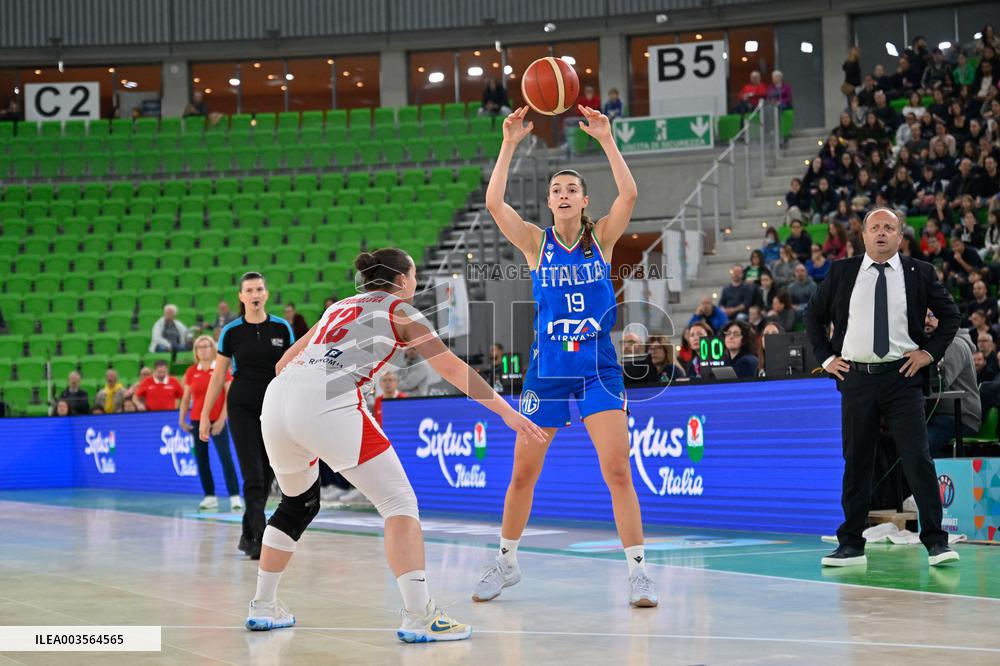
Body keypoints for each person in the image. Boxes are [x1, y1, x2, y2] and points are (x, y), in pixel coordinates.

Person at [246, 247, 547, 642]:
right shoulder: (400, 311)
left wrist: (307, 420)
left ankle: (264, 606)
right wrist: (507, 412)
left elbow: (284, 360)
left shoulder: (338, 307)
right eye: (415, 275)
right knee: (399, 504)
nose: (417, 282)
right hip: (327, 401)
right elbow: (451, 367)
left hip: (277, 400)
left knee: (295, 504)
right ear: (402, 280)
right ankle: (420, 616)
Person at [473, 104, 658, 608]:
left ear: (583, 200)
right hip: (548, 369)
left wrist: (607, 139)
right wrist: (509, 143)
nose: (562, 194)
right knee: (522, 473)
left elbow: (630, 194)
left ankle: (639, 572)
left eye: (571, 189)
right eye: (556, 189)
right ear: (550, 202)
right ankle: (506, 560)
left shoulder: (603, 238)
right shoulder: (536, 243)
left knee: (617, 470)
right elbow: (494, 204)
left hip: (597, 367)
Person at [804, 207, 961, 568]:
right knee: (857, 461)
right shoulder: (842, 272)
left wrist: (929, 354)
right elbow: (812, 315)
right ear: (862, 236)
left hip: (902, 377)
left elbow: (951, 315)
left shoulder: (920, 272)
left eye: (889, 228)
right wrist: (827, 359)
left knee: (917, 458)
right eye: (874, 227)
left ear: (900, 236)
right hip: (855, 377)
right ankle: (851, 544)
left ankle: (936, 541)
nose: (881, 233)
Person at [199, 272, 295, 560]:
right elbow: (217, 378)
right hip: (241, 406)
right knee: (252, 473)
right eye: (249, 290)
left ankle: (246, 533)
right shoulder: (231, 332)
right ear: (241, 296)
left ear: (266, 294)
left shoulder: (282, 328)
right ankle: (257, 539)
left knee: (266, 473)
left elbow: (291, 371)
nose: (255, 294)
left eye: (259, 289)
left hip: (274, 406)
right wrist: (206, 414)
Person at [181, 335, 241, 513]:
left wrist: (222, 419)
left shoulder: (221, 369)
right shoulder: (191, 371)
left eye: (206, 346)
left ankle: (235, 496)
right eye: (200, 347)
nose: (203, 349)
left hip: (217, 420)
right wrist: (182, 419)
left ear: (212, 348)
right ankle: (209, 496)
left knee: (225, 458)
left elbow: (229, 395)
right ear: (196, 351)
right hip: (197, 421)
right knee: (201, 460)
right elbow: (186, 398)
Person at [923, 309, 981, 457]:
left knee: (918, 448)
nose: (926, 321)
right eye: (923, 316)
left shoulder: (955, 344)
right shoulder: (934, 345)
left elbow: (940, 384)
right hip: (941, 416)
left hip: (960, 418)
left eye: (932, 315)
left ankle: (945, 476)